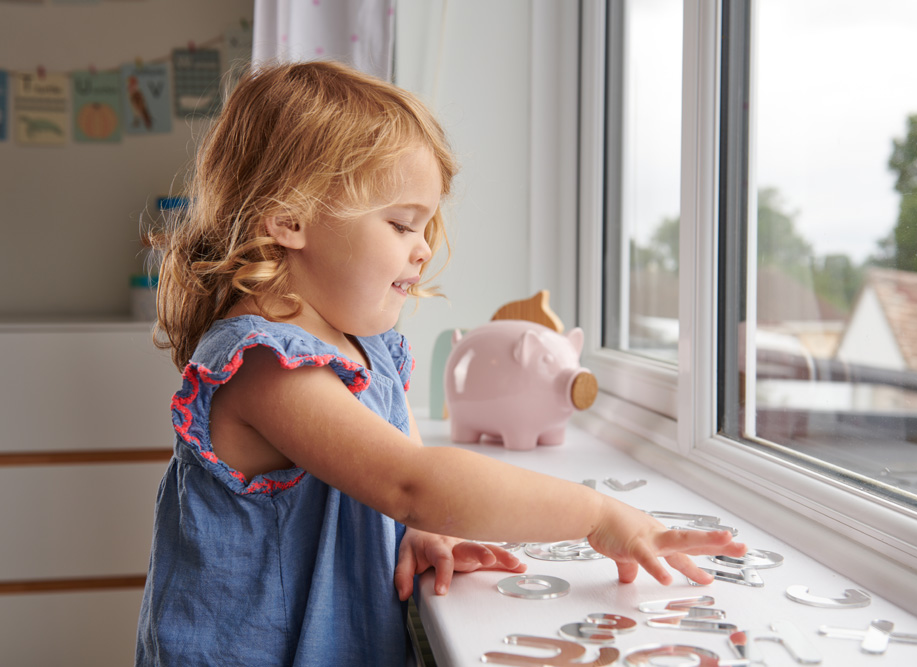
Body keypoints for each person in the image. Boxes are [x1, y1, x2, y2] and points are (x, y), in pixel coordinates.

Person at [135, 60, 746, 666]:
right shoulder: (262, 366)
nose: (425, 249)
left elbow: (395, 467)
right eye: (402, 223)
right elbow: (411, 482)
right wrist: (596, 514)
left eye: (425, 226)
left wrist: (420, 530)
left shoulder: (361, 346)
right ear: (289, 219)